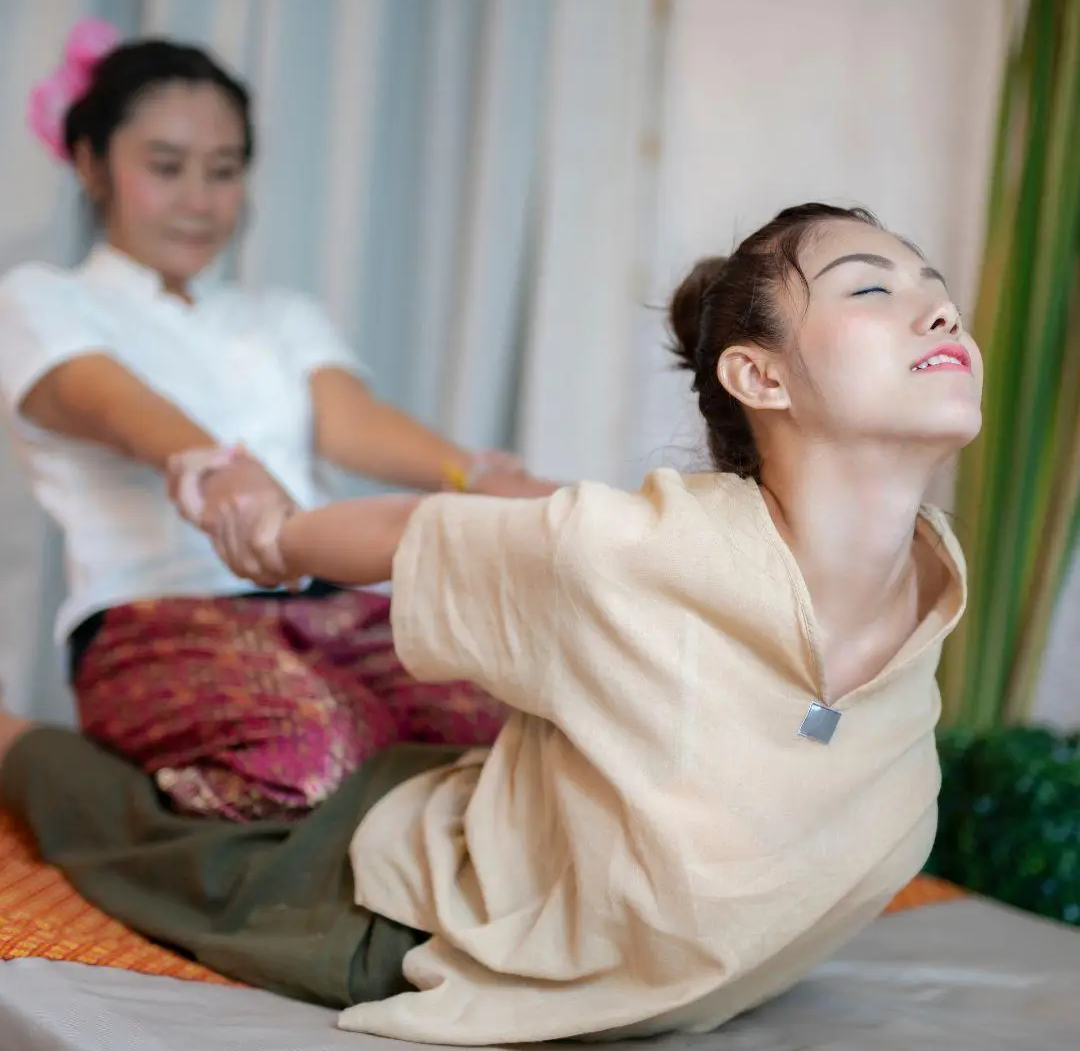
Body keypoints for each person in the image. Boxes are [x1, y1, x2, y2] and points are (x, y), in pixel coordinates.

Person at [0, 200, 981, 1044]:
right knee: (230, 835)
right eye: (872, 287)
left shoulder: (932, 596)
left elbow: (402, 457)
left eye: (934, 287)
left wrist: (477, 474)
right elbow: (420, 530)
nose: (941, 308)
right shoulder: (640, 551)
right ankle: (17, 743)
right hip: (420, 913)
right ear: (760, 377)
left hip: (388, 679)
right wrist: (277, 534)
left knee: (456, 726)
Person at [0, 20, 556, 822]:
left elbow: (350, 421)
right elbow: (117, 405)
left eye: (224, 170)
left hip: (331, 603)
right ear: (91, 164)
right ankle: (48, 766)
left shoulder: (279, 314)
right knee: (316, 757)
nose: (199, 200)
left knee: (513, 735)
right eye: (166, 167)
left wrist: (481, 477)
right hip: (155, 617)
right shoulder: (41, 300)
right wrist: (222, 472)